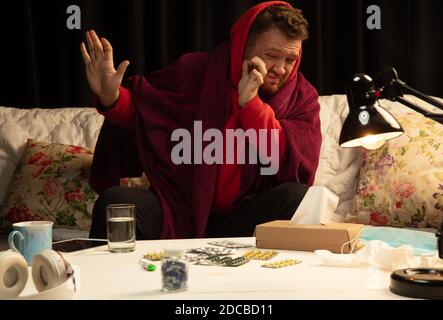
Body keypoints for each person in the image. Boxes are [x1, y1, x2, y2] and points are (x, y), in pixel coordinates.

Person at [80, 1, 322, 240]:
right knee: (115, 202)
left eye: (290, 60)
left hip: (245, 220)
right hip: (178, 210)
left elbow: (295, 168)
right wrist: (110, 97)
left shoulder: (302, 97)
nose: (280, 69)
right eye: (272, 55)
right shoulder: (196, 71)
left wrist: (251, 106)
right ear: (244, 47)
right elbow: (144, 113)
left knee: (297, 197)